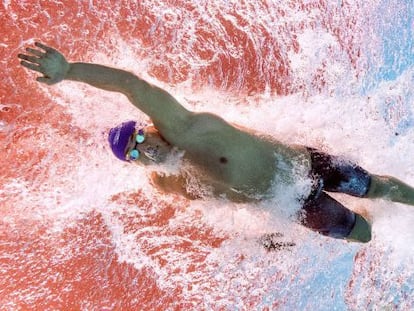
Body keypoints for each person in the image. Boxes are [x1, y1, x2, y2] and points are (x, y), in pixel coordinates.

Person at [18, 42, 414, 243]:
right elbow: (221, 202)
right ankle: (369, 214)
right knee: (362, 234)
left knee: (376, 186)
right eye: (134, 153)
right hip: (292, 204)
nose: (144, 148)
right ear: (138, 164)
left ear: (150, 128)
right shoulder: (168, 183)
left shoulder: (185, 126)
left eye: (140, 137)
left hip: (301, 166)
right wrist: (266, 236)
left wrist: (69, 70)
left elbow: (131, 85)